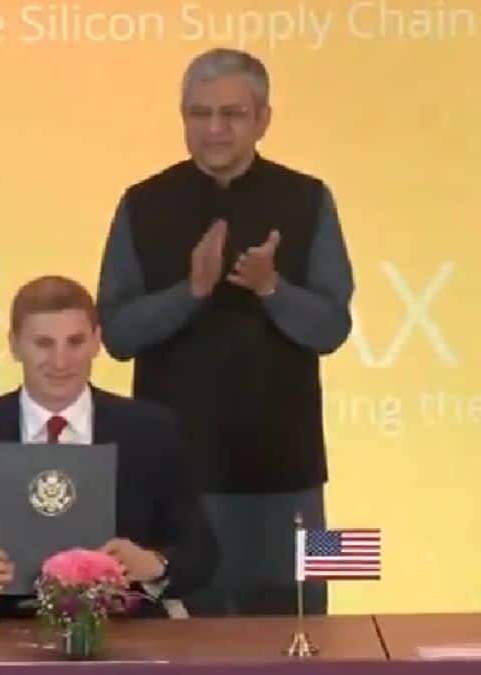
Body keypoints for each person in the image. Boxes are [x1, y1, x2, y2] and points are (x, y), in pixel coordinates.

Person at [96, 48, 354, 616]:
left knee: (306, 631)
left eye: (232, 114)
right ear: (183, 117)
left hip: (290, 474)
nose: (215, 128)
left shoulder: (309, 197)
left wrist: (271, 287)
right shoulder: (143, 202)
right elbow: (116, 334)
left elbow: (333, 326)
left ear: (263, 119)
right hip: (174, 479)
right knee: (175, 638)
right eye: (200, 113)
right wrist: (190, 292)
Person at [0, 276, 215, 619]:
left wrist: (155, 565)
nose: (61, 361)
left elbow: (202, 553)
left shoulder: (151, 431)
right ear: (14, 346)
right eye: (43, 344)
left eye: (75, 342)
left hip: (123, 632)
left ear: (96, 341)